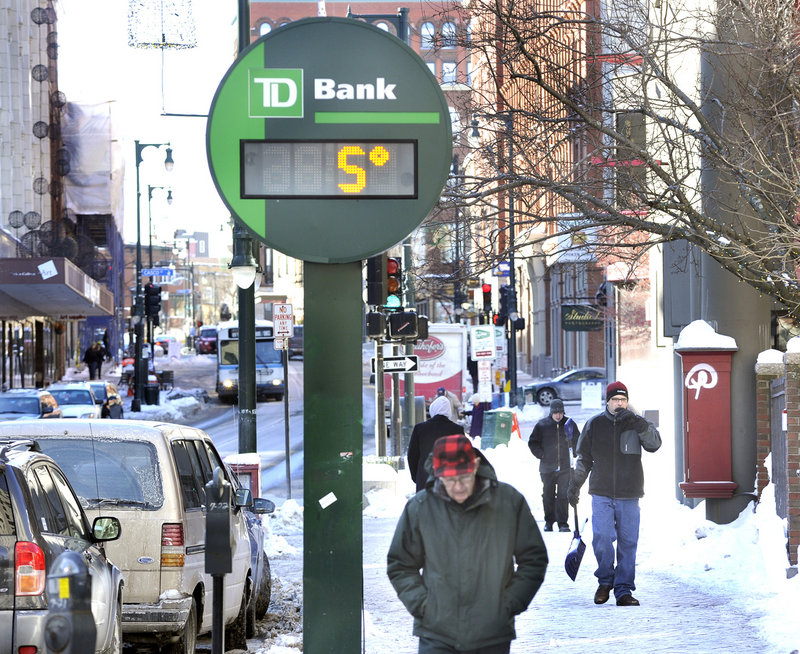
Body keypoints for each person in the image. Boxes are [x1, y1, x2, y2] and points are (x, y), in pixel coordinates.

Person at [387, 434, 548, 654]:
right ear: (437, 474)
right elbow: (401, 564)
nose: (459, 486)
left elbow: (534, 559)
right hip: (437, 633)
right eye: (450, 480)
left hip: (491, 633)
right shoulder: (420, 507)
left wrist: (509, 603)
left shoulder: (508, 501)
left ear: (476, 466)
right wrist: (423, 605)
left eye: (464, 477)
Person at [567, 381, 662, 607]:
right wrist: (575, 485)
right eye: (615, 400)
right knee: (601, 538)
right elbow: (584, 460)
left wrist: (639, 424)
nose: (619, 403)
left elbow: (655, 444)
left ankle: (623, 590)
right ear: (607, 402)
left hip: (630, 493)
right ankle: (605, 581)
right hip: (601, 491)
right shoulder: (594, 424)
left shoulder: (636, 424)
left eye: (623, 400)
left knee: (628, 542)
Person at [528, 398, 578, 532]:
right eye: (555, 413)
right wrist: (541, 454)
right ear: (551, 412)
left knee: (563, 495)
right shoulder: (542, 425)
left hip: (565, 468)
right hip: (547, 468)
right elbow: (533, 442)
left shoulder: (569, 424)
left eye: (560, 413)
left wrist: (574, 451)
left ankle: (563, 523)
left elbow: (578, 440)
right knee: (548, 495)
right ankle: (549, 521)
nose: (558, 415)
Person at [407, 395, 465, 492]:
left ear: (433, 409)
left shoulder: (420, 429)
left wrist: (416, 477)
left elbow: (412, 456)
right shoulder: (457, 430)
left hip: (424, 479)